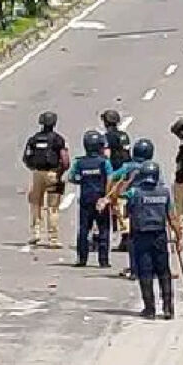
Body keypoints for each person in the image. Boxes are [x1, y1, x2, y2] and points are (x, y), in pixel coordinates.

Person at [121, 161, 182, 319]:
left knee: (145, 272)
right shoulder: (164, 192)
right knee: (164, 272)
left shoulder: (135, 192)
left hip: (141, 236)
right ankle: (168, 308)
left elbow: (123, 203)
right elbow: (172, 217)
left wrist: (129, 179)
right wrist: (178, 238)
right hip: (160, 236)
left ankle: (150, 309)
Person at [103, 138, 156, 279]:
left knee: (133, 238)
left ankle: (134, 269)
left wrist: (110, 197)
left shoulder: (127, 167)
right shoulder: (152, 167)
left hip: (131, 204)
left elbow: (112, 177)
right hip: (150, 205)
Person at [22, 111, 69, 247]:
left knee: (36, 203)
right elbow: (65, 159)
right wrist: (60, 172)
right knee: (53, 207)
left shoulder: (34, 139)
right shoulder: (58, 139)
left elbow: (26, 157)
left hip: (37, 174)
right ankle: (53, 238)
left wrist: (34, 168)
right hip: (53, 173)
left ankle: (36, 233)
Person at [68, 130, 113, 268]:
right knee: (104, 229)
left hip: (85, 199)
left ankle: (82, 258)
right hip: (100, 199)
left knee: (83, 229)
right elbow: (110, 179)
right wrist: (107, 197)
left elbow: (72, 177)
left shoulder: (80, 163)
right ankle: (103, 260)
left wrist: (83, 180)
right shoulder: (104, 163)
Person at [100, 109, 131, 250]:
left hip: (115, 172)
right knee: (123, 203)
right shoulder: (124, 135)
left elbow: (106, 155)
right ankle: (124, 232)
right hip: (127, 171)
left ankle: (125, 233)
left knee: (115, 204)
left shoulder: (107, 137)